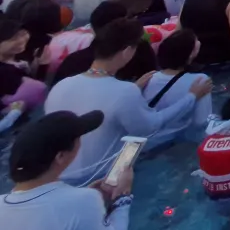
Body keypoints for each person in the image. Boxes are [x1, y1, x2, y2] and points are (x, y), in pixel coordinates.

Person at [43, 18, 212, 184]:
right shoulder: (124, 91)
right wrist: (191, 97)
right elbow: (151, 126)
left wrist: (134, 91)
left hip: (56, 176)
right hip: (101, 178)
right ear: (127, 51)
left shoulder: (61, 86)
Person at [0, 110, 133, 230]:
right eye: (79, 139)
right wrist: (122, 197)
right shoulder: (84, 200)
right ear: (61, 156)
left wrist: (82, 197)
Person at [141, 28, 212, 149]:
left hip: (143, 143)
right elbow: (201, 122)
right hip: (171, 145)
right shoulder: (200, 80)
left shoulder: (148, 78)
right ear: (191, 54)